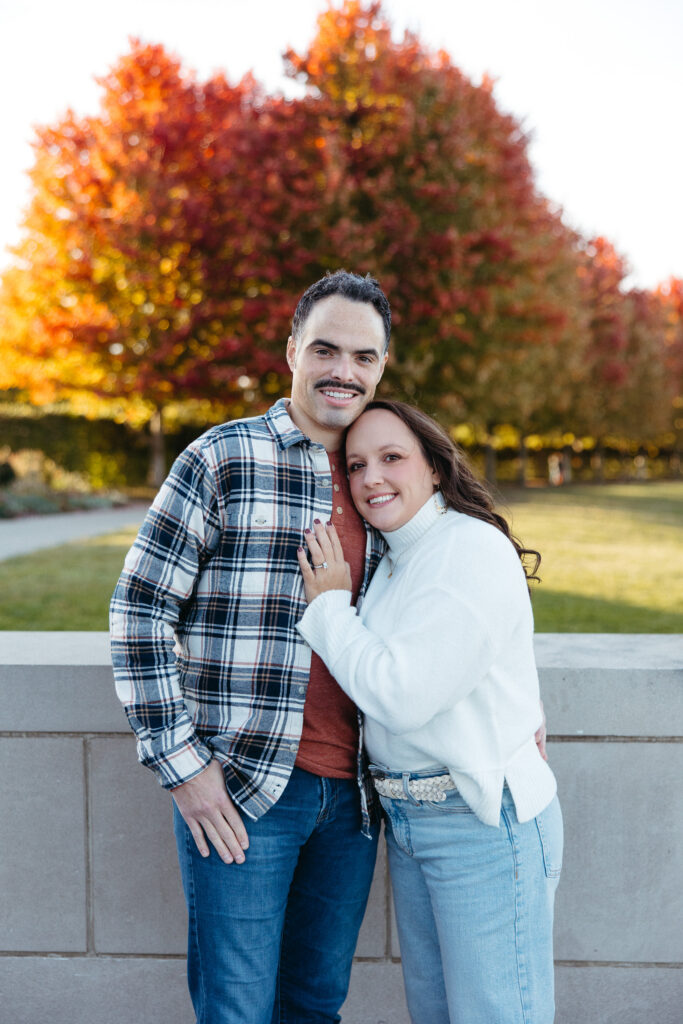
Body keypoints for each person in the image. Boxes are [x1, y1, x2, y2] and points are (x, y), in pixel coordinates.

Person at [110, 270, 392, 1024]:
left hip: (355, 798)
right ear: (292, 351)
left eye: (362, 357)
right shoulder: (222, 457)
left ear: (380, 367)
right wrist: (184, 769)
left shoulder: (385, 475)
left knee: (315, 1006)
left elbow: (455, 594)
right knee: (236, 1009)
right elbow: (139, 610)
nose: (343, 370)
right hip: (242, 788)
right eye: (325, 349)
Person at [296, 400, 563, 1024]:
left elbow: (402, 696)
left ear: (435, 468)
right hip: (411, 821)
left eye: (392, 458)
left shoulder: (467, 547)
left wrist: (329, 608)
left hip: (480, 819)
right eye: (356, 465)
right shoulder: (396, 559)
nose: (371, 478)